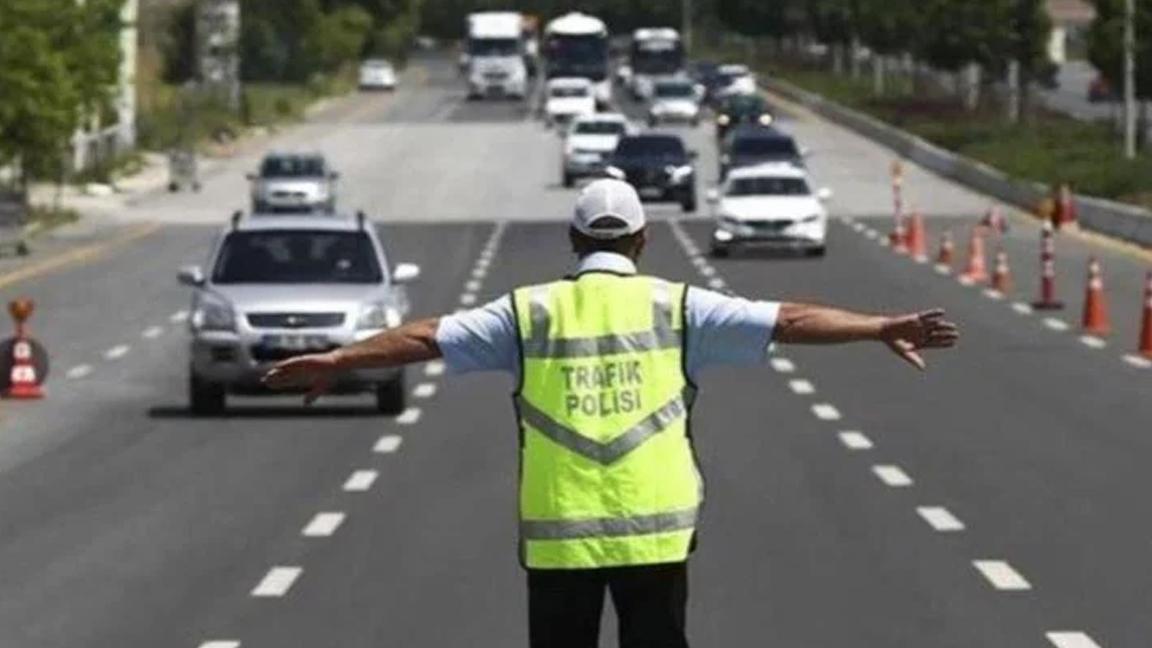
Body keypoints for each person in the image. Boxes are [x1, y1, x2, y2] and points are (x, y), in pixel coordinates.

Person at [262, 179, 959, 648]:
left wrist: (338, 360)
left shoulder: (527, 313)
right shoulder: (680, 307)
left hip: (559, 539)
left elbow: (424, 337)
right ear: (641, 240)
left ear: (573, 239)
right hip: (655, 537)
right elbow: (790, 319)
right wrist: (876, 326)